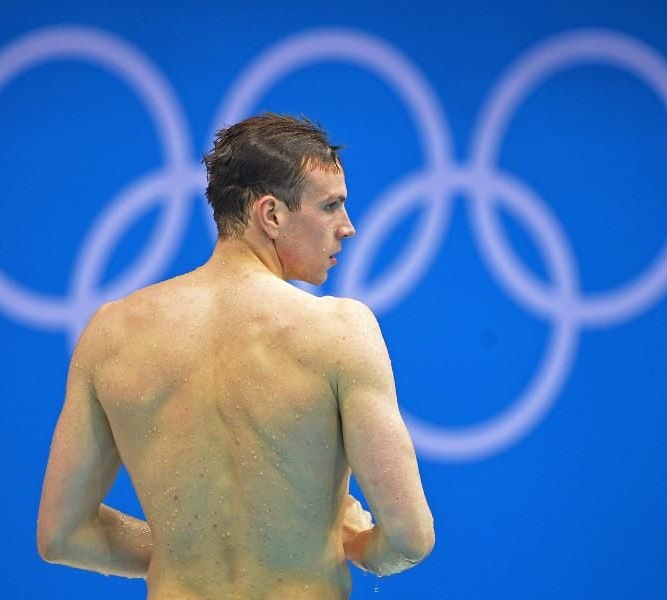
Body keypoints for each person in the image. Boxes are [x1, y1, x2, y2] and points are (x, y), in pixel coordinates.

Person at [37, 113, 435, 599]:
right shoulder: (339, 332)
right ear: (272, 215)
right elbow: (409, 538)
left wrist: (183, 554)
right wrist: (347, 543)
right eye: (331, 206)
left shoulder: (112, 334)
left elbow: (62, 535)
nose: (348, 228)